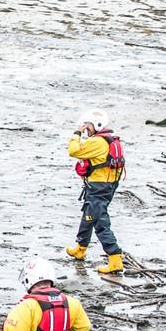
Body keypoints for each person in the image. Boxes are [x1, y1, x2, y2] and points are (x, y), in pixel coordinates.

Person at [65, 108, 125, 274]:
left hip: (99, 187)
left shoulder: (97, 142)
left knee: (100, 223)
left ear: (97, 125)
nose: (87, 129)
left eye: (88, 125)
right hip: (108, 185)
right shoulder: (110, 139)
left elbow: (74, 150)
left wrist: (76, 132)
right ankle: (80, 247)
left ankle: (115, 258)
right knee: (88, 215)